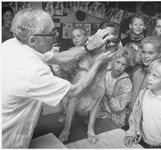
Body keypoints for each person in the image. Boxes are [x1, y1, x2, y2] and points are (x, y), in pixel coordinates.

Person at [2, 8, 115, 148]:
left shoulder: (12, 44)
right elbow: (75, 91)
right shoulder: (32, 71)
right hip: (9, 138)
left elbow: (60, 58)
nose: (56, 35)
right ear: (33, 40)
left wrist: (89, 46)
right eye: (51, 32)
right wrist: (98, 62)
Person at [57, 26, 89, 123]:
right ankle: (65, 113)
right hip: (72, 79)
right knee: (66, 96)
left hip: (85, 81)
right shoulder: (71, 51)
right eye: (74, 36)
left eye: (78, 36)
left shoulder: (90, 51)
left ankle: (86, 115)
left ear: (86, 37)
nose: (76, 39)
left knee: (86, 97)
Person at [97, 47, 133, 128]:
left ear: (127, 66)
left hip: (116, 121)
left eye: (123, 64)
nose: (119, 67)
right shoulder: (103, 74)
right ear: (113, 61)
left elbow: (120, 107)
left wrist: (107, 94)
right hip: (101, 115)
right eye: (118, 62)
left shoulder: (127, 83)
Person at [128, 36, 161, 119]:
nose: (145, 56)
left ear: (159, 54)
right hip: (131, 115)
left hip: (147, 119)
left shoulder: (160, 76)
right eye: (143, 52)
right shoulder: (136, 70)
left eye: (150, 53)